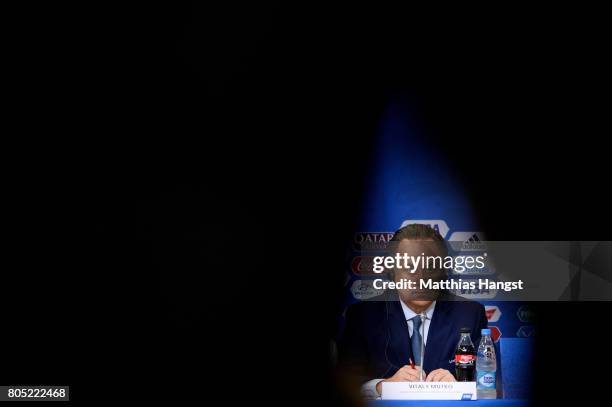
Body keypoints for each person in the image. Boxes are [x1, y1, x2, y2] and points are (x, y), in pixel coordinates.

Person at [338, 224, 488, 398]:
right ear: (393, 273)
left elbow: (488, 380)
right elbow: (345, 380)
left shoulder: (469, 314)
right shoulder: (363, 316)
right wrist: (381, 386)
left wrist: (459, 385)